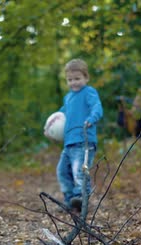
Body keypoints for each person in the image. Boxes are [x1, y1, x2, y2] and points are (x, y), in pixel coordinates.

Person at [55, 59, 103, 212]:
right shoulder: (68, 98)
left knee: (79, 172)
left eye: (77, 79)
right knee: (62, 171)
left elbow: (97, 107)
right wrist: (50, 127)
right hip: (69, 143)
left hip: (83, 141)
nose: (73, 83)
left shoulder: (88, 92)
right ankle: (70, 200)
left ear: (86, 78)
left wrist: (91, 119)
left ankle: (82, 199)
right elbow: (61, 115)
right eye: (70, 80)